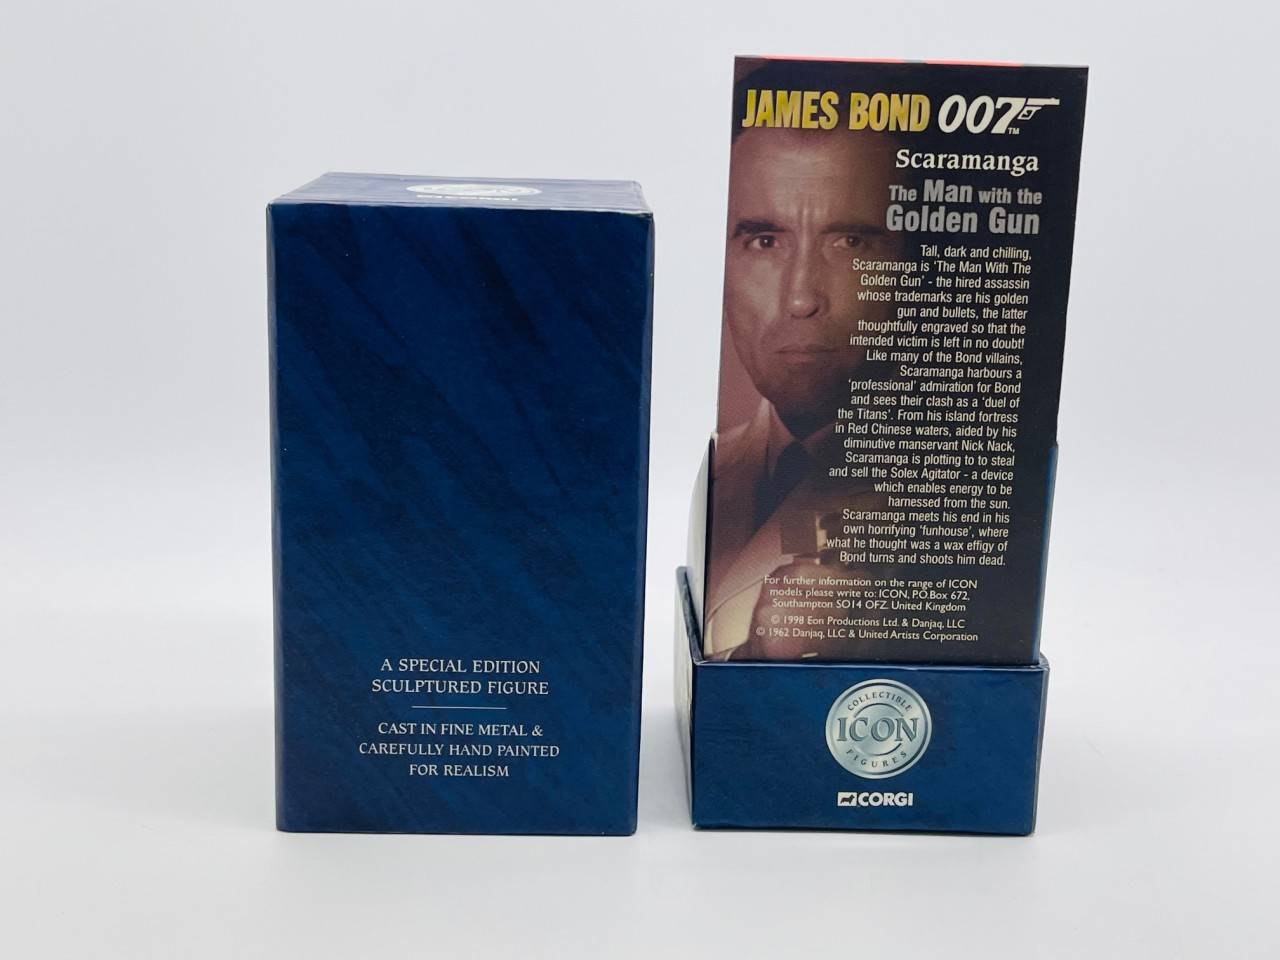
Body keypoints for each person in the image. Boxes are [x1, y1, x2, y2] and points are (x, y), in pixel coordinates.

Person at [704, 118, 905, 659]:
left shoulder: (957, 499)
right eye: (765, 241)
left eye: (851, 242)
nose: (800, 298)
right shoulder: (716, 466)